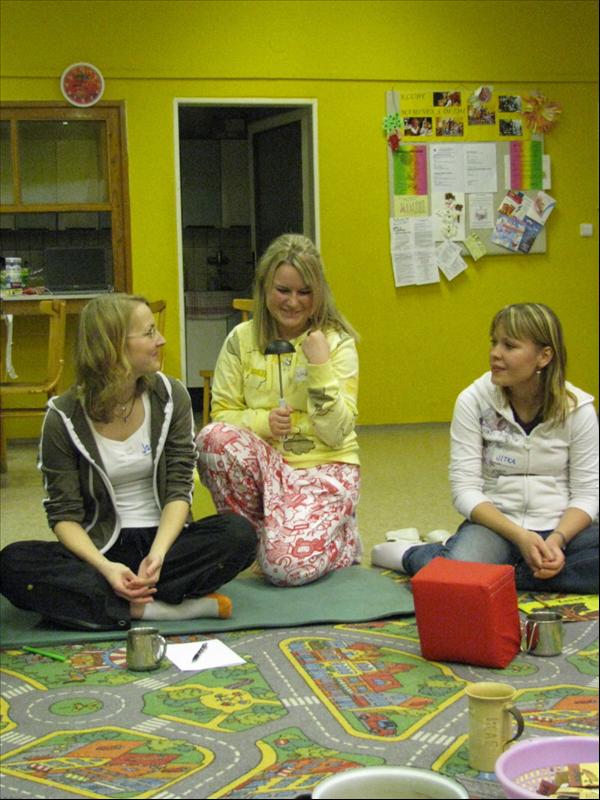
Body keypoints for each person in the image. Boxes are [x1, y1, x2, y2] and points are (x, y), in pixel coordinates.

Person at [0, 294, 256, 630]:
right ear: (114, 346)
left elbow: (179, 490)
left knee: (239, 535)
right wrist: (106, 568)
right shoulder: (63, 417)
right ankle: (153, 609)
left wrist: (158, 555)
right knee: (12, 563)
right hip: (99, 550)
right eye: (149, 333)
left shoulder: (170, 397)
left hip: (165, 546)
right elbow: (63, 515)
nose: (160, 339)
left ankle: (104, 603)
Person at [372, 303, 599, 593]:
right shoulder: (473, 400)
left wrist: (557, 540)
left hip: (561, 528)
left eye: (509, 345)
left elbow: (587, 494)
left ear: (544, 356)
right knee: (458, 576)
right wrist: (520, 537)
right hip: (497, 526)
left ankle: (492, 574)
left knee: (463, 576)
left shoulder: (578, 409)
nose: (495, 353)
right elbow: (465, 490)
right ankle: (414, 554)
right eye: (494, 342)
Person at [196, 233, 361, 587]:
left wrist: (320, 366)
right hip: (267, 462)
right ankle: (261, 541)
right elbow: (222, 414)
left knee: (286, 570)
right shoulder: (240, 339)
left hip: (323, 464)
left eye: (305, 292)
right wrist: (263, 422)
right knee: (212, 441)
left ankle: (342, 540)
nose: (293, 302)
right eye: (283, 290)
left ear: (319, 293)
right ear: (265, 287)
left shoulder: (337, 342)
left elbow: (336, 433)